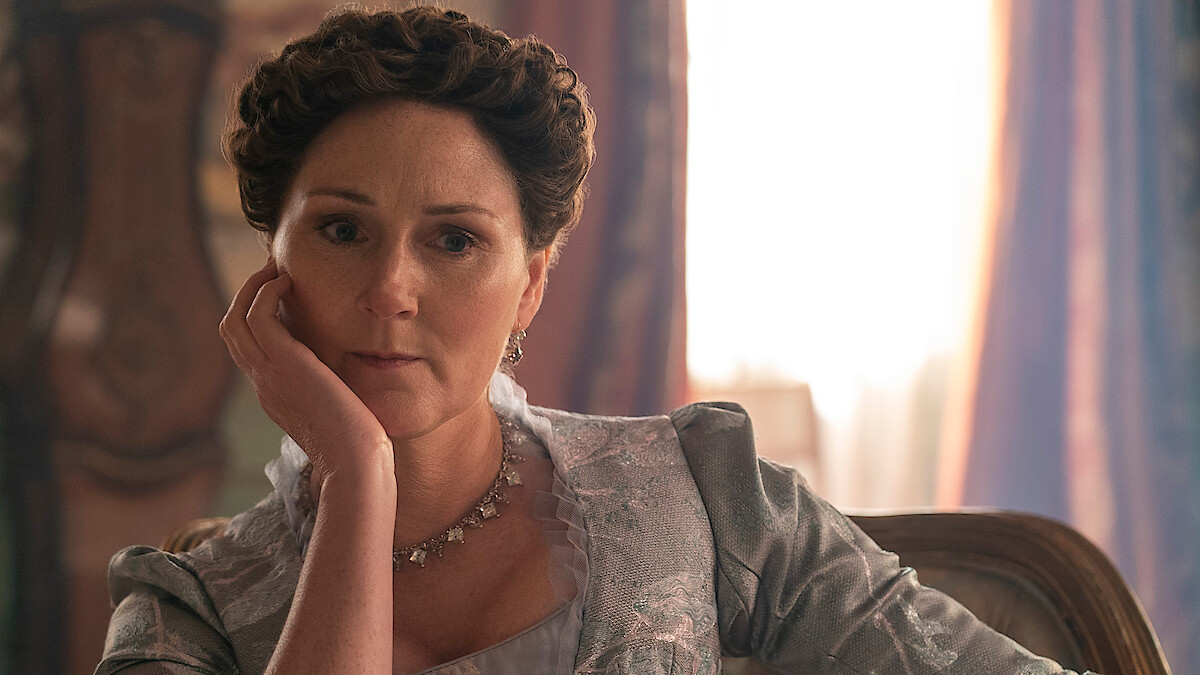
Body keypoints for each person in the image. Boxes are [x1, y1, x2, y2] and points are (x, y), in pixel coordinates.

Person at [96, 6, 1092, 674]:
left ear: (529, 287)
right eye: (343, 230)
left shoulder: (705, 492)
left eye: (455, 240)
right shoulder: (191, 606)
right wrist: (358, 476)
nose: (391, 289)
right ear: (271, 270)